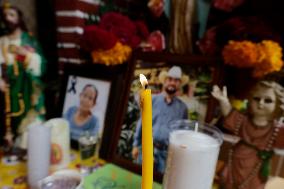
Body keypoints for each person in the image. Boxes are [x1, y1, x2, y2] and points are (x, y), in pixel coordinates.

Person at [212, 81, 284, 189]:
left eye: (268, 100)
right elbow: (230, 115)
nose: (261, 103)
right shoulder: (243, 120)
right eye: (257, 98)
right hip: (236, 160)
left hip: (256, 166)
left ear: (278, 104)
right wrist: (223, 101)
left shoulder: (276, 129)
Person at [0, 5, 46, 146]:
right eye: (6, 15)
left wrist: (27, 56)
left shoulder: (29, 40)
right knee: (9, 125)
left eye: (12, 15)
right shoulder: (1, 41)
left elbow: (42, 64)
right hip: (8, 91)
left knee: (29, 127)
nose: (8, 18)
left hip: (27, 88)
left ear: (19, 18)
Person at [132, 66, 189, 173]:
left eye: (176, 80)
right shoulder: (152, 100)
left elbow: (183, 134)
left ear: (180, 84)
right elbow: (142, 122)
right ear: (164, 81)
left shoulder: (183, 108)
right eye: (170, 79)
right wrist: (136, 144)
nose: (172, 83)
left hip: (167, 154)